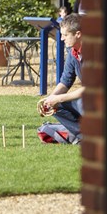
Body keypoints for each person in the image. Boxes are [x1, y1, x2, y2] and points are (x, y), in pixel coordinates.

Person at [40, 13, 84, 143]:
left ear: (78, 34)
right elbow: (65, 82)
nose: (62, 39)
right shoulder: (73, 53)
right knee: (55, 105)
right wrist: (49, 100)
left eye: (65, 35)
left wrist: (58, 98)